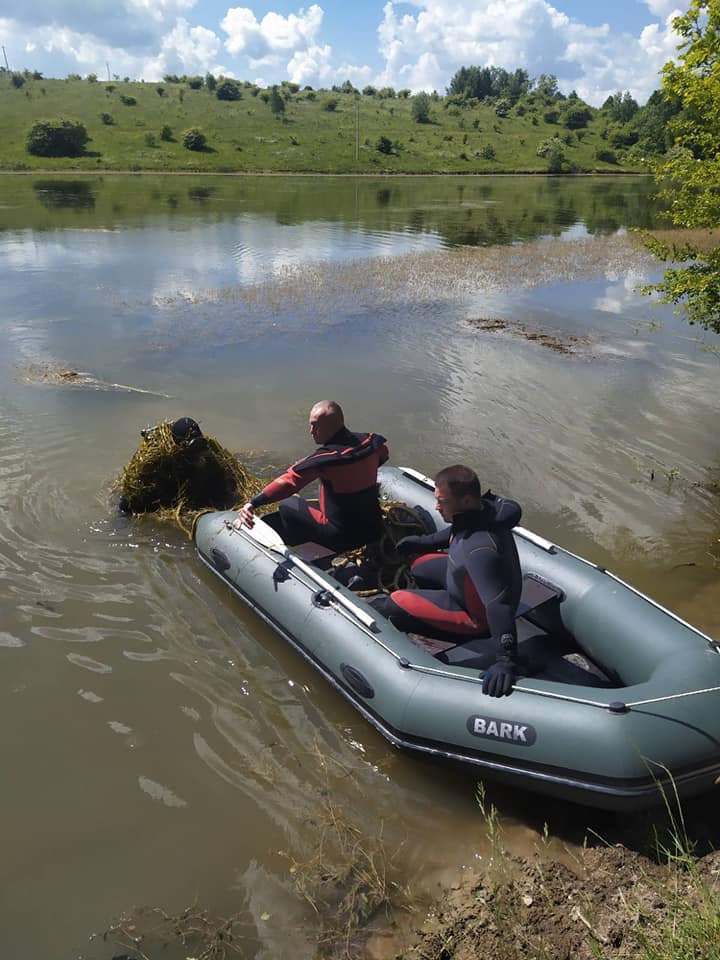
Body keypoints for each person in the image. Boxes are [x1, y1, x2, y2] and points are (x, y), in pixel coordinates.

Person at [373, 464, 522, 698]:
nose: (436, 507)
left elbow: (498, 606)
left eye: (443, 501)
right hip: (466, 583)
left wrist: (506, 659)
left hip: (476, 615)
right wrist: (421, 542)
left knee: (393, 603)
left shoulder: (480, 548)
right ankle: (434, 606)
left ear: (465, 501)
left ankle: (448, 626)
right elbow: (453, 533)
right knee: (419, 567)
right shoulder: (483, 513)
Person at [235, 400, 389, 552]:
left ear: (330, 427)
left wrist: (253, 503)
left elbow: (289, 483)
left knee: (288, 504)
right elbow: (383, 455)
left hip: (342, 538)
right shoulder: (371, 444)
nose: (311, 431)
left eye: (315, 426)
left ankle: (298, 548)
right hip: (374, 530)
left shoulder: (325, 460)